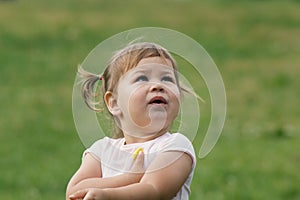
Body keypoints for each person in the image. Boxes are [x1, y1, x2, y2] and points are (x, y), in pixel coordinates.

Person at [66, 42, 196, 200]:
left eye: (167, 78)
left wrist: (107, 195)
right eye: (142, 78)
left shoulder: (176, 146)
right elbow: (73, 191)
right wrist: (128, 178)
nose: (157, 85)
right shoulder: (102, 151)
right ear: (114, 103)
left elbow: (154, 190)